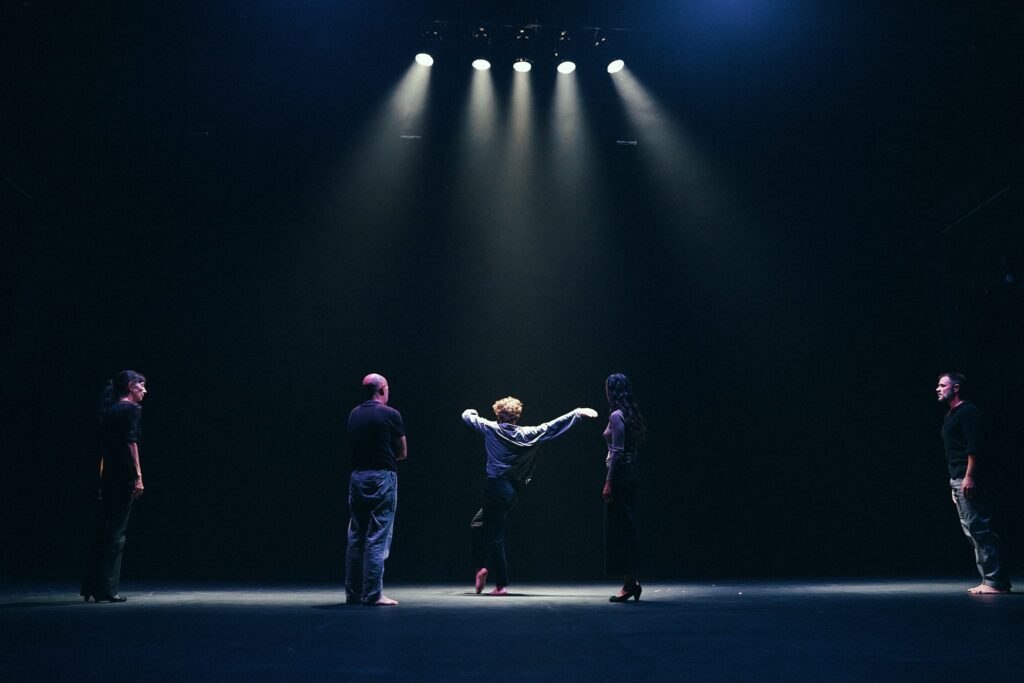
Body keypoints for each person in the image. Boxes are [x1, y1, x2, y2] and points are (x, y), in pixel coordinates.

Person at [463, 397, 597, 595]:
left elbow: (466, 416)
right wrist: (577, 412)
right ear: (517, 417)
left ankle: (500, 585)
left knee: (495, 536)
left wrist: (472, 410)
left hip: (496, 487)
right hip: (512, 492)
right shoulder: (528, 433)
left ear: (498, 414)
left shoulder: (491, 428)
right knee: (477, 524)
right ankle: (480, 567)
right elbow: (552, 427)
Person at [935, 372, 1011, 594]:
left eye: (942, 385)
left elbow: (974, 448)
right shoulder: (951, 414)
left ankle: (995, 581)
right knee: (972, 531)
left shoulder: (968, 412)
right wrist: (955, 483)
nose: (937, 389)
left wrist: (969, 477)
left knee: (980, 529)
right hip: (958, 479)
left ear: (956, 388)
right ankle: (990, 579)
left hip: (967, 478)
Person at [81, 370, 147, 603]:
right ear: (130, 386)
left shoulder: (108, 411)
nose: (144, 391)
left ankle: (91, 585)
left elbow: (102, 450)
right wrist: (138, 475)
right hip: (123, 476)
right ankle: (107, 588)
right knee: (116, 533)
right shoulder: (130, 410)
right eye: (141, 386)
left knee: (103, 530)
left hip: (109, 475)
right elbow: (131, 443)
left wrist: (100, 480)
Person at [345, 373, 407, 606]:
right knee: (378, 534)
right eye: (387, 388)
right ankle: (372, 593)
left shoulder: (354, 413)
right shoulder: (391, 414)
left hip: (357, 477)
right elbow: (402, 452)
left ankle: (353, 592)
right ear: (381, 389)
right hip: (381, 476)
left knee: (356, 535)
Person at [602, 373, 646, 602]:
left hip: (620, 476)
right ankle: (632, 581)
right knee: (625, 527)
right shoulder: (630, 415)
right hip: (629, 474)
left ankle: (630, 583)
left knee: (622, 529)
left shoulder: (617, 416)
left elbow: (617, 451)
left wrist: (609, 482)